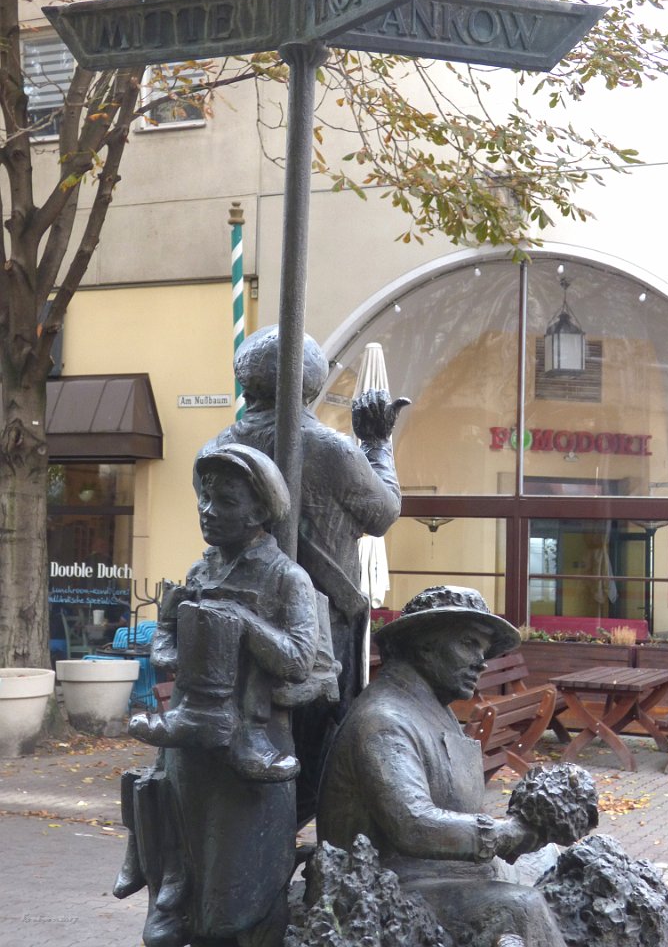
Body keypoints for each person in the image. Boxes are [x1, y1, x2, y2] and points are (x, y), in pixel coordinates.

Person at [116, 443, 319, 947]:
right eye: (205, 498)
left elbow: (299, 659)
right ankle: (170, 894)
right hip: (188, 744)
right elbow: (164, 646)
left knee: (235, 893)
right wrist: (180, 639)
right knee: (182, 862)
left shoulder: (286, 578)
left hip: (250, 751)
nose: (208, 511)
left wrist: (242, 623)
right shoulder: (198, 572)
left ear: (259, 511)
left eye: (226, 501)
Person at [206, 325, 409, 821]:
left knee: (251, 736)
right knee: (315, 753)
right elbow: (383, 512)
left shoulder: (219, 446)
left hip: (238, 614)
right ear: (311, 387)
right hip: (319, 630)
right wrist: (378, 443)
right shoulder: (331, 449)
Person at [316, 585, 569, 947]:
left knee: (548, 864)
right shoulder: (384, 719)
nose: (482, 661)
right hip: (390, 888)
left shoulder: (434, 709)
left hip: (445, 872)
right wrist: (502, 834)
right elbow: (413, 823)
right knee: (522, 906)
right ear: (424, 643)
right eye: (469, 643)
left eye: (484, 650)